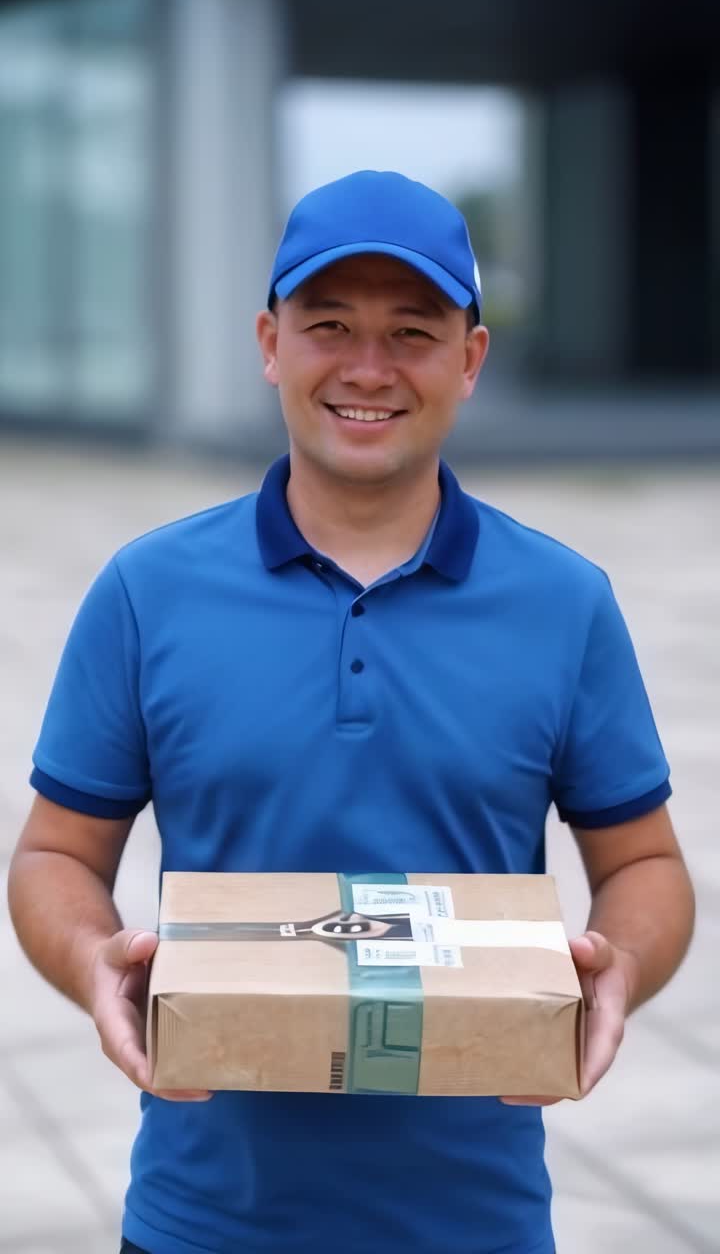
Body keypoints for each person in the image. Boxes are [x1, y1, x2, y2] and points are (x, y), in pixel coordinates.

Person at [8, 170, 694, 1254]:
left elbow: (647, 864)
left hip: (477, 1225)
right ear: (270, 343)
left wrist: (622, 967)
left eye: (412, 331)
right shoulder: (148, 591)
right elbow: (54, 854)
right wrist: (94, 957)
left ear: (470, 359)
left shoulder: (564, 602)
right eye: (329, 325)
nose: (368, 368)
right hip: (201, 1222)